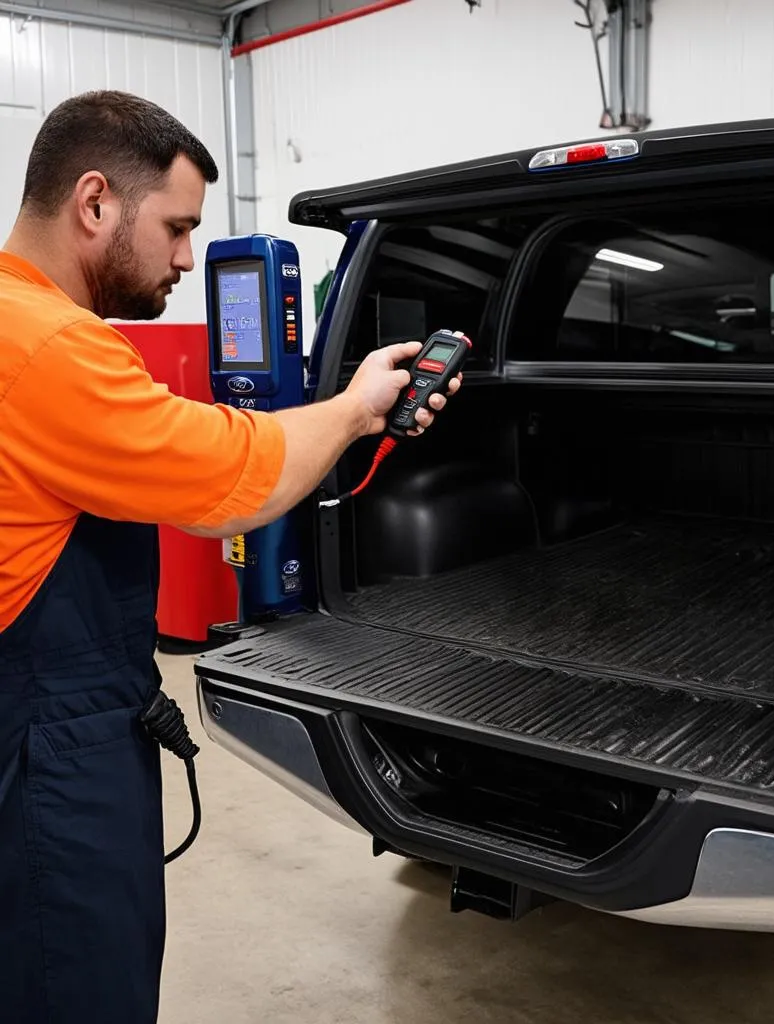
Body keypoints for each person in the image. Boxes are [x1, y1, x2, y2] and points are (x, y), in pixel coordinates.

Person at [0, 90, 459, 1024]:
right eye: (176, 228)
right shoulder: (49, 347)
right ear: (94, 203)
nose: (184, 259)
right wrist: (358, 407)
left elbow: (198, 465)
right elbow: (233, 486)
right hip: (47, 746)